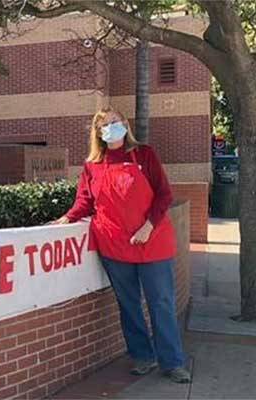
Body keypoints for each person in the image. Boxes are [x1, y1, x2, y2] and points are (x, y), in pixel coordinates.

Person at [51, 106, 191, 384]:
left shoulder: (144, 154)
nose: (110, 128)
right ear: (98, 133)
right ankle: (143, 356)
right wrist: (65, 218)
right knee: (128, 304)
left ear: (125, 125)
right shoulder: (92, 166)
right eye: (104, 125)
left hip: (152, 242)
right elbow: (85, 202)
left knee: (160, 302)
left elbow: (163, 195)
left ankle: (172, 362)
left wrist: (148, 226)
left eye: (115, 122)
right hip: (114, 246)